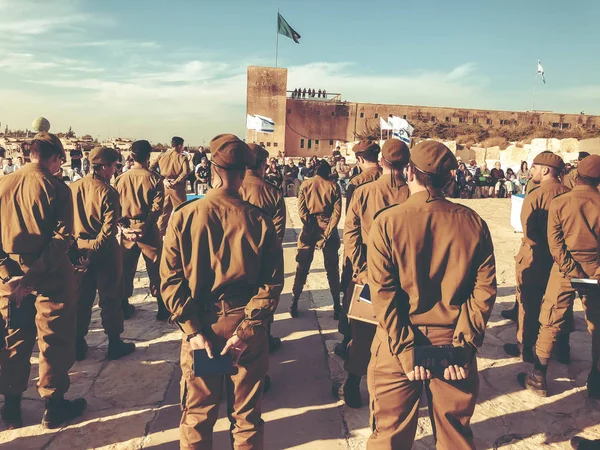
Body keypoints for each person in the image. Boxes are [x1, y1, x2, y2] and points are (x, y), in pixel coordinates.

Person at [366, 140, 497, 449]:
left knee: (389, 434)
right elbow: (484, 291)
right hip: (452, 341)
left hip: (397, 343)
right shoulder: (473, 222)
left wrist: (406, 350)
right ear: (449, 179)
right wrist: (462, 347)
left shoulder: (387, 222)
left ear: (409, 171)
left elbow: (383, 295)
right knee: (454, 435)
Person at [160, 134, 284, 449]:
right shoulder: (260, 221)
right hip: (244, 332)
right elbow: (270, 285)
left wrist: (193, 331)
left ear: (212, 170)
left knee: (198, 416)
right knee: (246, 419)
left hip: (204, 328)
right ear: (244, 172)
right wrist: (246, 331)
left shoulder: (184, 217)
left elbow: (170, 281)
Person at [0, 132, 87, 429]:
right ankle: (53, 405)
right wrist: (33, 276)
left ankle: (11, 405)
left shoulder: (3, 184)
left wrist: (9, 274)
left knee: (16, 336)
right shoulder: (57, 188)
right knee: (54, 336)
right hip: (49, 275)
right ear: (54, 158)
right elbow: (62, 238)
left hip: (10, 275)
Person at [337, 139, 411, 409]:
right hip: (404, 276)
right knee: (401, 329)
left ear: (382, 161)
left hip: (370, 273)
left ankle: (353, 383)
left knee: (362, 332)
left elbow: (351, 234)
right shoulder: (414, 194)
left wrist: (360, 268)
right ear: (406, 165)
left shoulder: (364, 191)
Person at [520, 155, 600, 398]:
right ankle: (595, 384)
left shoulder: (561, 202)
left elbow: (554, 244)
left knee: (551, 319)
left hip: (564, 269)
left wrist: (571, 269)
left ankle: (538, 377)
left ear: (578, 174)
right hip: (595, 271)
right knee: (596, 327)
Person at [503, 151, 571, 363]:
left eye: (534, 167)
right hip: (560, 260)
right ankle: (561, 348)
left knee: (528, 304)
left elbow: (528, 229)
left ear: (545, 170)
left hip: (535, 255)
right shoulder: (570, 193)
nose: (531, 170)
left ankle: (526, 347)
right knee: (559, 304)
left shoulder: (536, 194)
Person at [70, 146, 136, 362]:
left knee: (82, 299)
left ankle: (78, 343)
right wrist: (94, 252)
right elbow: (107, 231)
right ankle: (114, 344)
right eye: (115, 166)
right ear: (104, 167)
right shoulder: (108, 192)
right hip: (104, 253)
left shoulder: (74, 188)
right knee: (110, 298)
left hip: (79, 251)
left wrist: (81, 253)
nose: (115, 171)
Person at [239, 143, 287, 356]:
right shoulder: (272, 193)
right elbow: (278, 235)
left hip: (233, 259)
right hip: (260, 259)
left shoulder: (233, 188)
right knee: (262, 304)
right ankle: (263, 340)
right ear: (262, 165)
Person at [115, 140, 167, 321]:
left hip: (127, 231)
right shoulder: (154, 179)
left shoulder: (120, 178)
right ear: (148, 156)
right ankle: (162, 307)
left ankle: (123, 305)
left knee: (125, 269)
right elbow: (157, 207)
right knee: (155, 268)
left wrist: (124, 226)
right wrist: (146, 225)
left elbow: (115, 206)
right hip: (148, 230)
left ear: (132, 156)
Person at [290, 160, 342, 319]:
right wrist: (326, 234)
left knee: (302, 268)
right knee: (332, 270)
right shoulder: (334, 186)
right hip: (327, 227)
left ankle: (294, 302)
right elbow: (337, 213)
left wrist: (311, 227)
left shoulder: (306, 185)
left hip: (309, 228)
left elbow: (301, 211)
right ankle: (336, 306)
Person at [339, 141, 381, 326]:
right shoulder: (394, 180)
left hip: (363, 250)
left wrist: (350, 261)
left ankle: (351, 338)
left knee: (355, 297)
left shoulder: (357, 183)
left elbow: (351, 225)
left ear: (360, 159)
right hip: (387, 252)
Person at [150, 136, 191, 236]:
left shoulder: (162, 155)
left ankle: (159, 235)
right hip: (176, 187)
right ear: (180, 145)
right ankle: (182, 235)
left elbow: (151, 168)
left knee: (164, 213)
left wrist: (163, 180)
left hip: (165, 186)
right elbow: (186, 172)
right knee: (181, 211)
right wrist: (176, 181)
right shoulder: (181, 157)